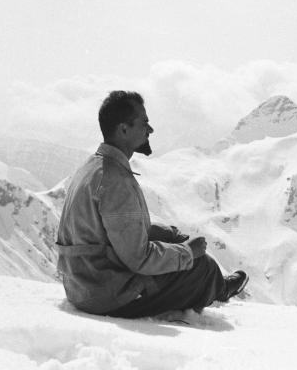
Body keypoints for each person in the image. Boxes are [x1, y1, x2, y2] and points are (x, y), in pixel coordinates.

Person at [55, 91, 246, 318]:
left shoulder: (93, 166)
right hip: (106, 294)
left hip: (83, 283)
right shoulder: (116, 182)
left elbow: (111, 233)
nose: (150, 130)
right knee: (201, 266)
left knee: (171, 240)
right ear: (123, 129)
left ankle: (213, 284)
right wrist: (186, 252)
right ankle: (217, 289)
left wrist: (167, 235)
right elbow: (139, 259)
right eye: (144, 122)